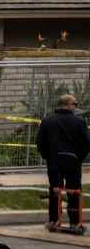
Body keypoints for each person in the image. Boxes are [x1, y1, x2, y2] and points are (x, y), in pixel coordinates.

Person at [37, 93, 90, 230]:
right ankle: (74, 222)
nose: (75, 107)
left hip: (54, 162)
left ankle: (53, 220)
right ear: (67, 105)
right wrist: (79, 158)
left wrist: (48, 157)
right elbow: (87, 143)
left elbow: (40, 142)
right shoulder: (79, 122)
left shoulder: (48, 121)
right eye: (75, 104)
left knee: (55, 191)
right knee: (74, 192)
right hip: (72, 162)